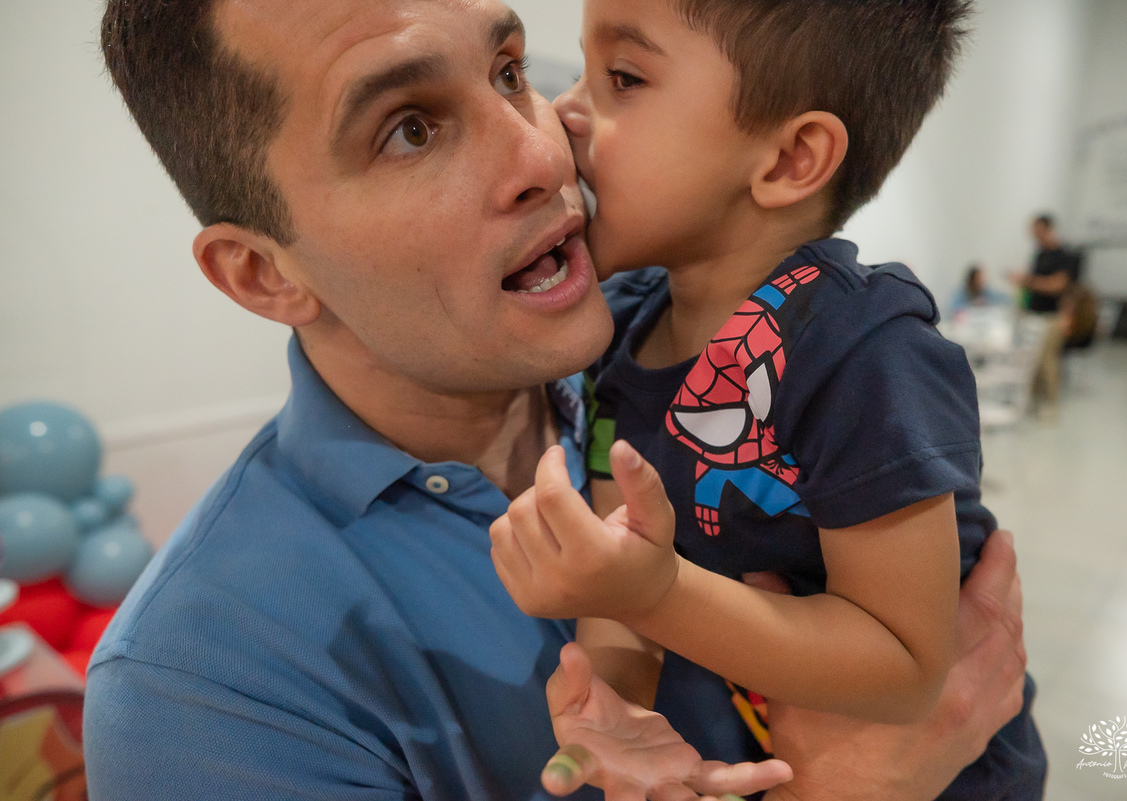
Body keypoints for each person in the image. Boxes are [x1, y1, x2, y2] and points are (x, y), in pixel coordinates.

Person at [83, 0, 1031, 798]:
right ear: (261, 272)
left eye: (507, 72)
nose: (546, 146)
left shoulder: (696, 337)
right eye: (410, 129)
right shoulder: (199, 688)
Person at [488, 1, 1045, 799]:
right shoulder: (624, 328)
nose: (562, 113)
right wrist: (615, 697)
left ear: (790, 159)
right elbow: (624, 566)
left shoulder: (862, 351)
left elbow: (907, 667)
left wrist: (657, 592)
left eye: (623, 79)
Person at [1009, 215, 1082, 415]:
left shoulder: (1064, 256)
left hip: (1052, 317)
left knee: (1047, 361)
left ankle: (1050, 404)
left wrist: (1026, 281)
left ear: (1048, 230)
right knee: (1031, 360)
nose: (1034, 235)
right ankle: (1033, 401)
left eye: (1038, 231)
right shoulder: (1039, 254)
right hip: (1033, 314)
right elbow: (1034, 284)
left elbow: (1057, 285)